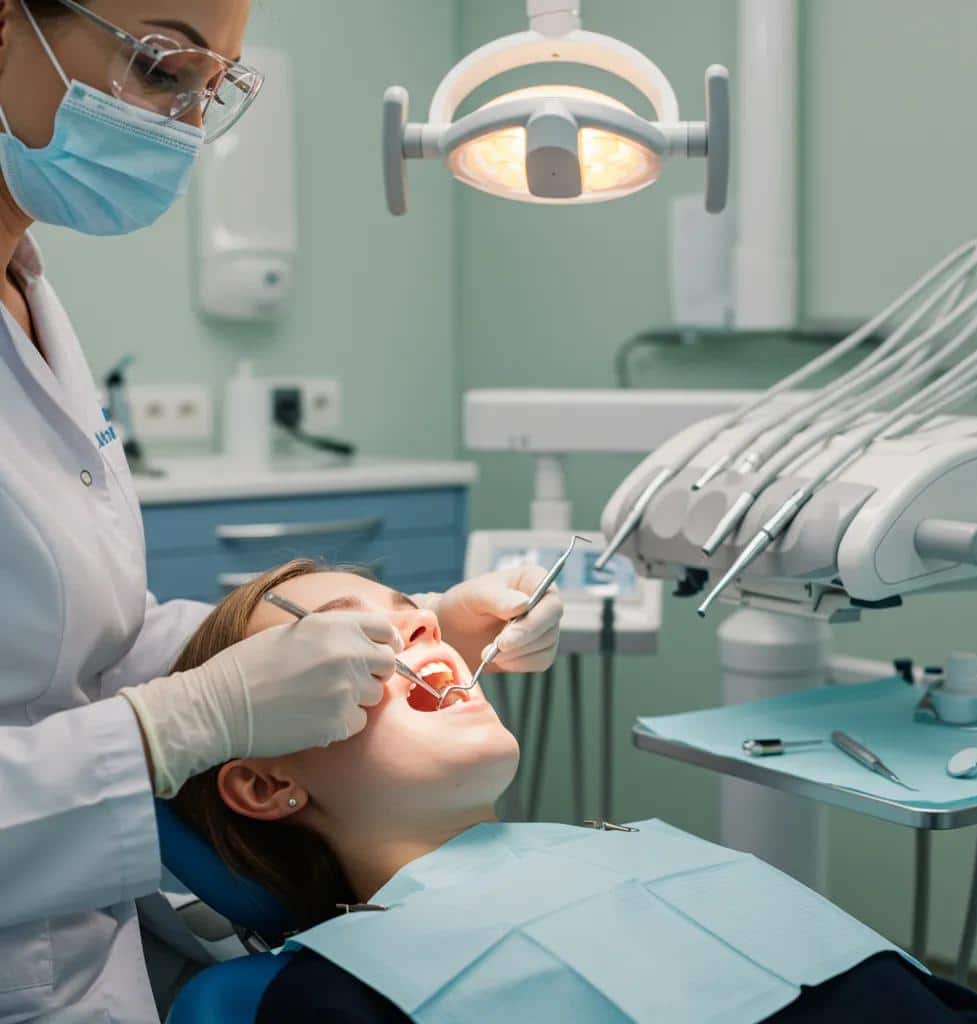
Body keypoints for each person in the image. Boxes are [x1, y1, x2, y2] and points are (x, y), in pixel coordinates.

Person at [0, 3, 563, 1020]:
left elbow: (71, 645)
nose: (181, 120)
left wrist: (429, 612)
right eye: (164, 62)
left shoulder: (28, 292)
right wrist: (189, 719)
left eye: (215, 86)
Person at [169, 561, 977, 1024]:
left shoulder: (648, 851)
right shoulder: (341, 999)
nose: (423, 625)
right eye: (343, 640)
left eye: (410, 609)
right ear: (268, 782)